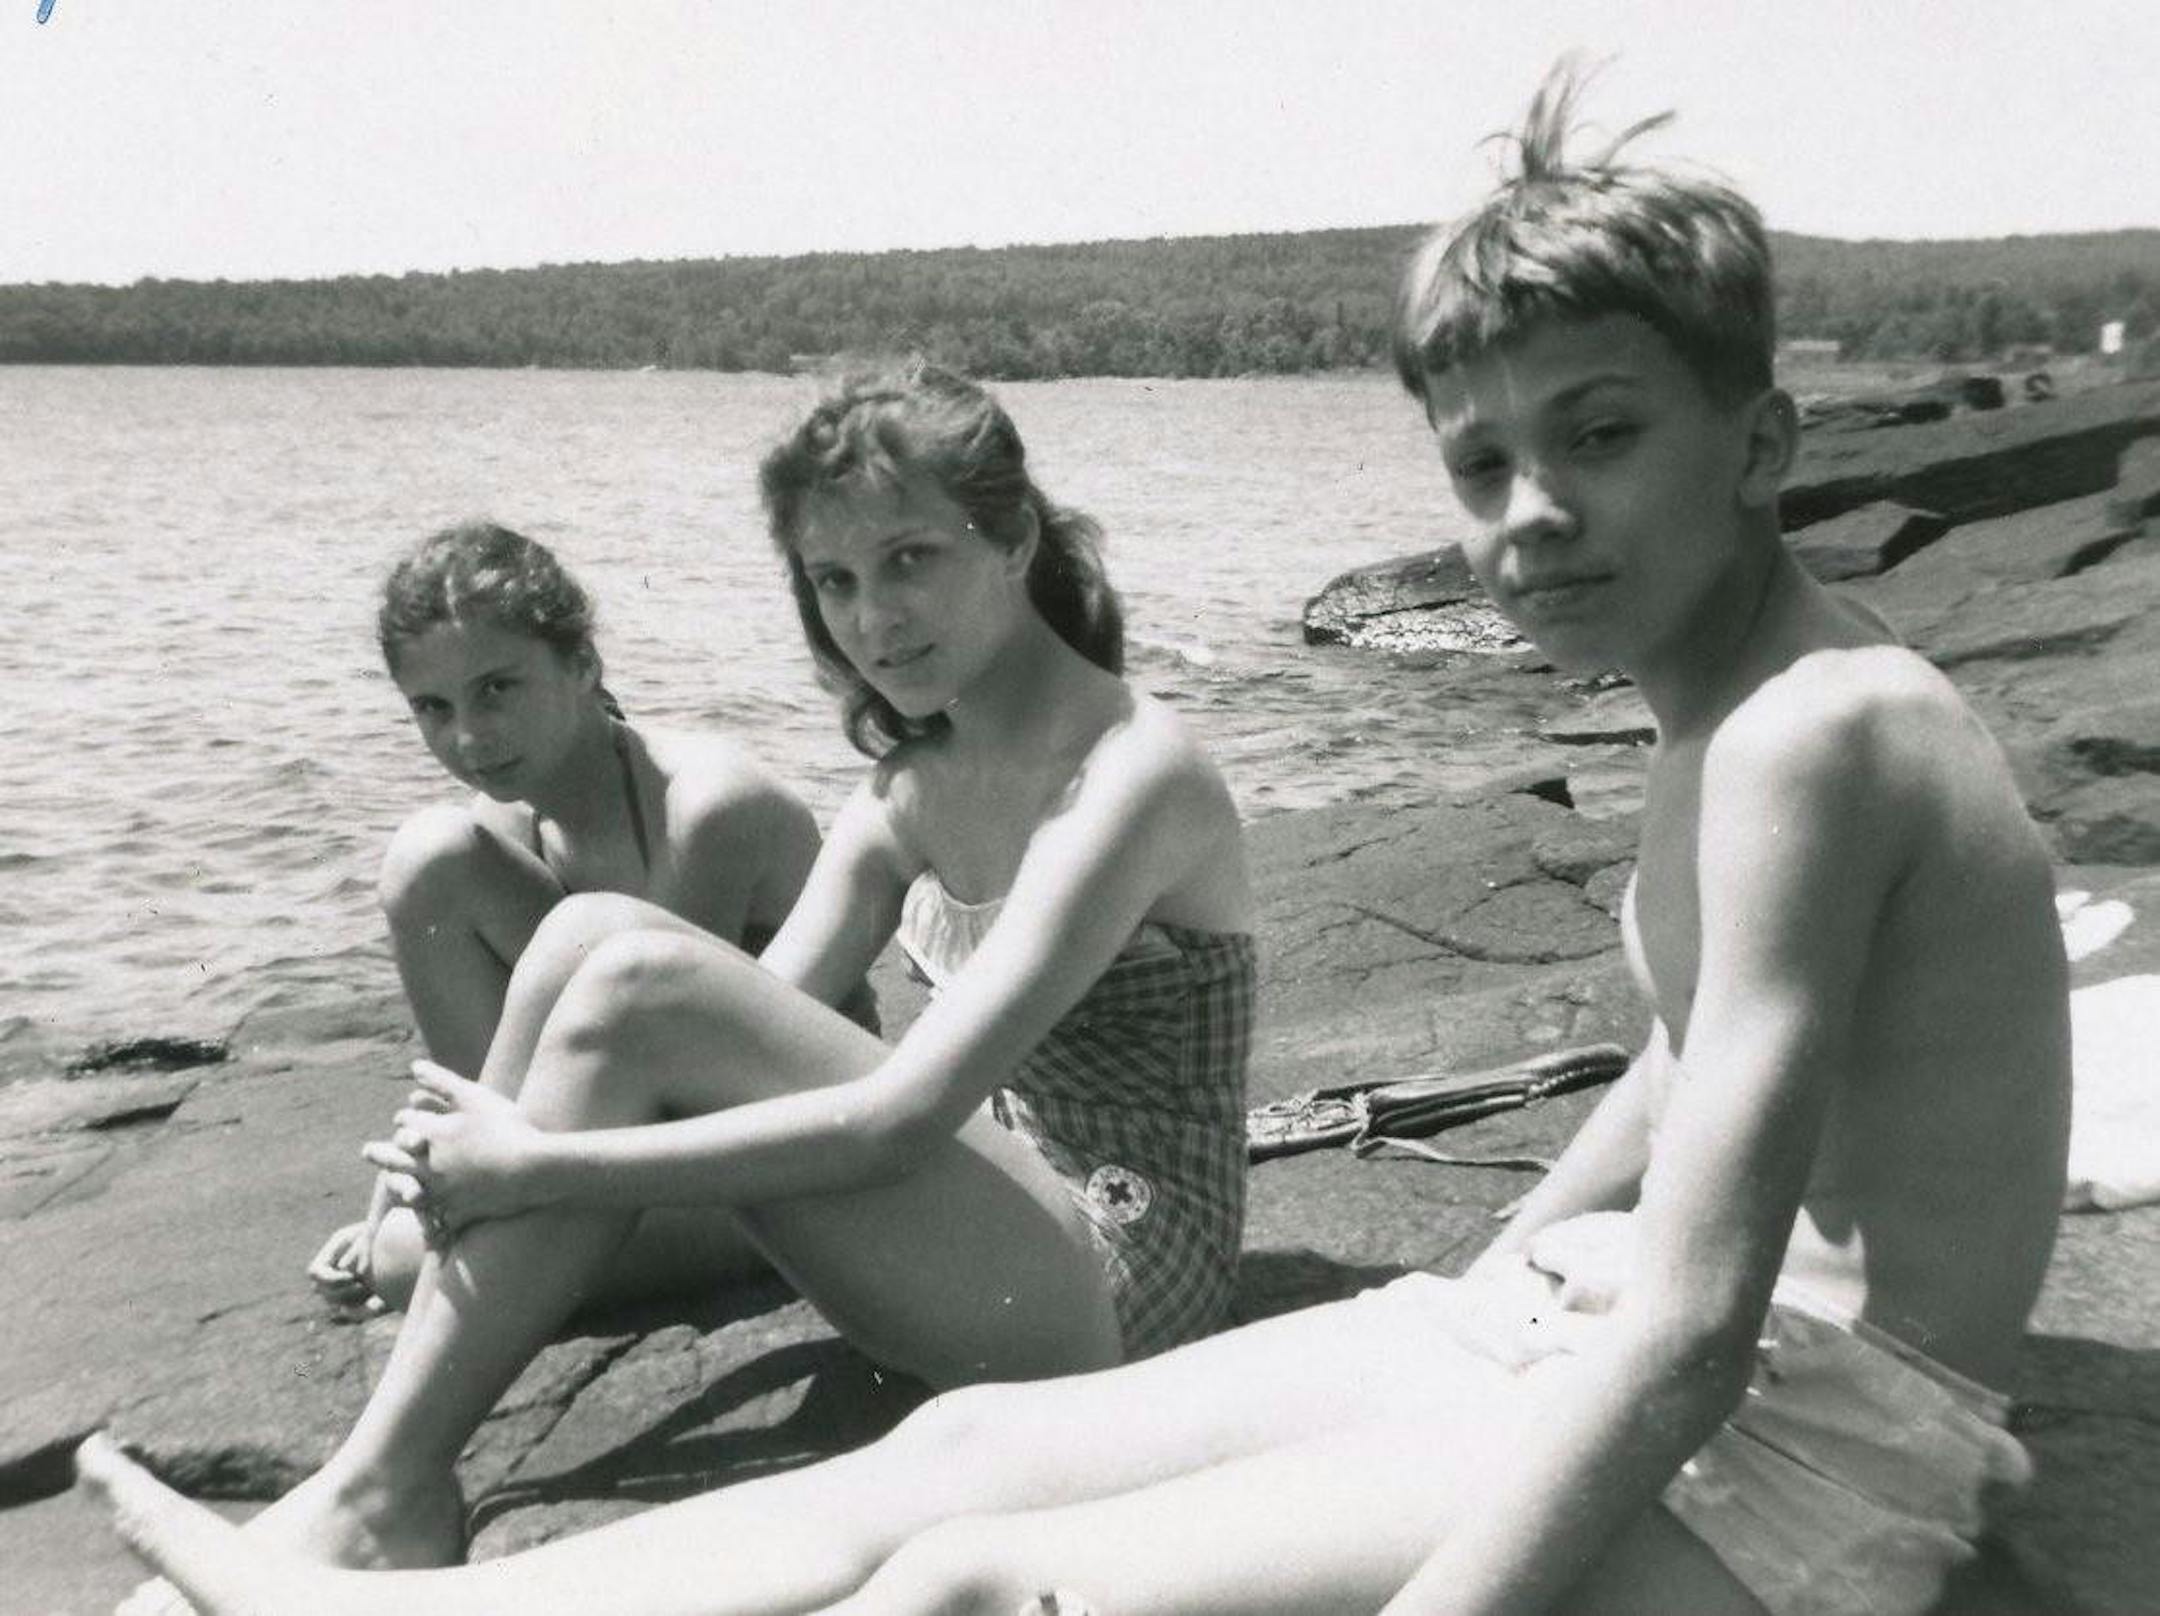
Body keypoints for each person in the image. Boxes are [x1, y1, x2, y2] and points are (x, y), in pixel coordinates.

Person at [82, 70, 2071, 1616]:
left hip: (1814, 1434)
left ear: (1765, 443)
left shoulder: (1816, 735)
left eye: (1602, 431)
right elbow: (1691, 1044)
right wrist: (1482, 1284)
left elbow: (1708, 1333)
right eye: (1482, 459)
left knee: (980, 1582)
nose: (1528, 509)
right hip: (1603, 1315)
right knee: (949, 1455)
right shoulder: (1738, 692)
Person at [95, 360, 1256, 1615]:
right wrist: (498, 1147)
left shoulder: (1135, 772)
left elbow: (899, 1116)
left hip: (1123, 1290)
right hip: (986, 1270)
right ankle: (386, 1469)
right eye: (836, 581)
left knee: (633, 969)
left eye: (911, 559)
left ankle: (384, 1492)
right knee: (597, 931)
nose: (873, 620)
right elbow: (749, 1010)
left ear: (1014, 534)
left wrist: (540, 1171)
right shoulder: (911, 785)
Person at [308, 520, 849, 1313]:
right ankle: (478, 1213)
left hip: (771, 1170)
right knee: (428, 858)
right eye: (433, 706)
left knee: (402, 1266)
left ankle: (487, 1226)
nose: (468, 736)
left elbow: (680, 1085)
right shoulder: (504, 829)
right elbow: (475, 1075)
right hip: (611, 1153)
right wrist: (392, 1195)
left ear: (583, 664)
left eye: (497, 688)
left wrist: (437, 1218)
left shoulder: (704, 811)